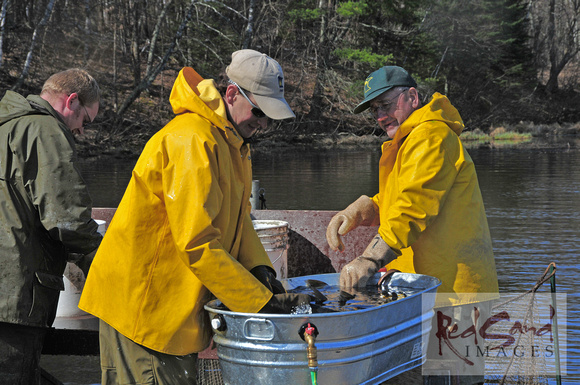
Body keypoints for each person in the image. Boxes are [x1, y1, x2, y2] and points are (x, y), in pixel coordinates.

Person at [79, 49, 310, 384]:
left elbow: (239, 218)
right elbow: (197, 243)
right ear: (232, 94)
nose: (262, 124)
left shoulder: (233, 144)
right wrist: (259, 303)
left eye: (270, 118)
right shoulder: (192, 141)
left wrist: (261, 270)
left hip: (173, 311)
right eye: (259, 112)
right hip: (144, 311)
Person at [326, 65, 499, 384]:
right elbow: (401, 198)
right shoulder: (410, 140)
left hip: (456, 296)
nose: (380, 116)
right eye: (375, 109)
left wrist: (368, 259)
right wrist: (364, 208)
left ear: (412, 96)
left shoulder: (432, 136)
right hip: (425, 294)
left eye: (386, 105)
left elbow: (412, 209)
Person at [0, 68, 103, 384]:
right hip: (15, 296)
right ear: (71, 101)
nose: (82, 132)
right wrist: (103, 257)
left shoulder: (6, 127)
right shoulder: (47, 131)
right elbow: (66, 219)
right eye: (85, 121)